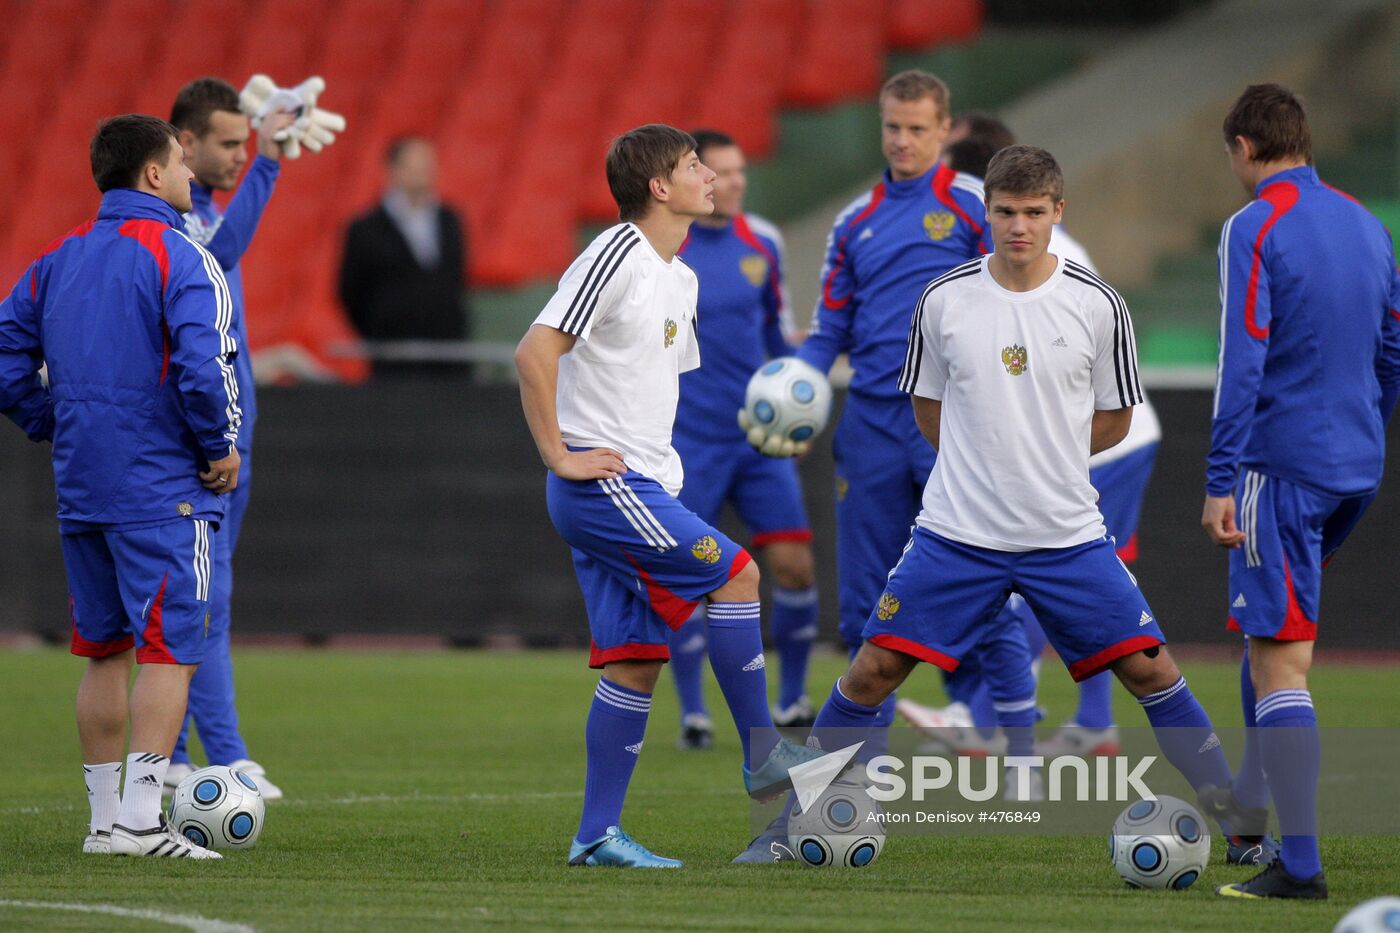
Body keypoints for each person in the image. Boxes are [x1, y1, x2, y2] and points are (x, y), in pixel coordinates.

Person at [771, 146, 1246, 856]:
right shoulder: (944, 301)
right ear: (985, 211)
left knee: (1152, 669)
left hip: (1066, 534)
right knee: (871, 669)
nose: (1018, 226)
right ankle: (785, 828)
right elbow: (927, 408)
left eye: (1033, 212)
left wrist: (1046, 453)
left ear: (1058, 211)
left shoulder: (1097, 304)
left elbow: (1116, 416)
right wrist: (982, 458)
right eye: (1004, 212)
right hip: (957, 533)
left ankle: (1242, 829)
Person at [514, 124, 820, 868]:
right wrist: (560, 453)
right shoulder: (615, 252)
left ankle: (594, 835)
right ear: (659, 186)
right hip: (606, 485)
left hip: (646, 480)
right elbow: (533, 351)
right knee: (739, 571)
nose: (709, 175)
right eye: (693, 166)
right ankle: (762, 756)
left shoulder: (679, 275)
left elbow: (652, 386)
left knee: (636, 659)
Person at [0, 114, 242, 858]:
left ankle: (105, 822)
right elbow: (206, 369)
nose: (189, 176)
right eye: (179, 163)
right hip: (163, 485)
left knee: (102, 650)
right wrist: (220, 447)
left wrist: (55, 423)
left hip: (84, 486)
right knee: (170, 649)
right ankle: (143, 818)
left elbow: (7, 360)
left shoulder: (55, 258)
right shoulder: (180, 254)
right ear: (153, 175)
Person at [899, 112, 1168, 771]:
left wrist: (1030, 456)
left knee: (1048, 578)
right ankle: (1092, 721)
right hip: (1088, 444)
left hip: (1103, 442)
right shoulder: (991, 264)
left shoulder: (1053, 264)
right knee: (1072, 581)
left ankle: (982, 718)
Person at [1205, 84, 1400, 900]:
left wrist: (1220, 479)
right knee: (1268, 632)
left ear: (1244, 149)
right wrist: (1369, 430)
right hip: (1355, 463)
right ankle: (1252, 810)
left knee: (1281, 660)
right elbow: (1393, 349)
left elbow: (1241, 357)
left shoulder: (1253, 225)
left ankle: (1304, 866)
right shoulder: (1365, 220)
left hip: (1278, 467)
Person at [792, 71, 991, 741]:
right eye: (892, 127)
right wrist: (796, 390)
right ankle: (861, 761)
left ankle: (985, 720)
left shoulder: (976, 206)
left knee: (974, 573)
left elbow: (1010, 304)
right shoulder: (854, 221)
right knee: (864, 601)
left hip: (951, 421)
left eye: (916, 128)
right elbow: (828, 332)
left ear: (943, 129)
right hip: (872, 422)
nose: (902, 141)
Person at [666, 129, 819, 748]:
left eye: (739, 172)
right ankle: (694, 713)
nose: (732, 182)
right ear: (697, 176)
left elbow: (779, 335)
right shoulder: (666, 246)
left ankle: (792, 698)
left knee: (795, 564)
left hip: (757, 438)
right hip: (688, 440)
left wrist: (798, 403)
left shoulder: (764, 242)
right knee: (688, 575)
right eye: (720, 172)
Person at [164, 77, 293, 800]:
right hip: (198, 439)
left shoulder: (204, 210)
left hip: (232, 429)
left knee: (203, 593)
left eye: (247, 144)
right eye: (229, 143)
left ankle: (180, 752)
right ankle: (226, 756)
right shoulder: (178, 225)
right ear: (183, 142)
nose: (240, 155)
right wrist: (272, 160)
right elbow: (221, 256)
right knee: (204, 595)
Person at [339, 137, 470, 359]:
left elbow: (457, 278)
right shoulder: (365, 228)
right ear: (393, 170)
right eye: (414, 166)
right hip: (391, 356)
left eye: (427, 165)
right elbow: (350, 291)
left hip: (447, 352)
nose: (423, 173)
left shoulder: (450, 220)